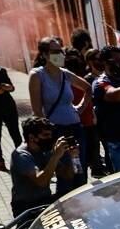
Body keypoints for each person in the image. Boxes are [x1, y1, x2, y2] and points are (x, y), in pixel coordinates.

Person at [28, 37, 90, 177]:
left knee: (80, 169)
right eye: (55, 51)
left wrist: (80, 108)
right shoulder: (37, 75)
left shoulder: (65, 74)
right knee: (65, 171)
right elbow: (37, 110)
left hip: (76, 128)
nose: (60, 54)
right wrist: (48, 133)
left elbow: (88, 88)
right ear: (44, 54)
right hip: (56, 131)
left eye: (61, 51)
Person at [9, 116, 77, 217]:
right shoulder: (21, 155)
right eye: (45, 135)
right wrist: (56, 156)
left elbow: (67, 176)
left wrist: (71, 157)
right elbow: (41, 182)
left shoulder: (45, 150)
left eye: (50, 135)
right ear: (32, 137)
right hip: (25, 207)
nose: (50, 138)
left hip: (44, 201)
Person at [64, 48, 102, 175]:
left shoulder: (75, 83)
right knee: (88, 149)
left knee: (88, 149)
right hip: (83, 121)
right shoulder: (80, 82)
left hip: (83, 120)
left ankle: (92, 169)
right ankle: (91, 169)